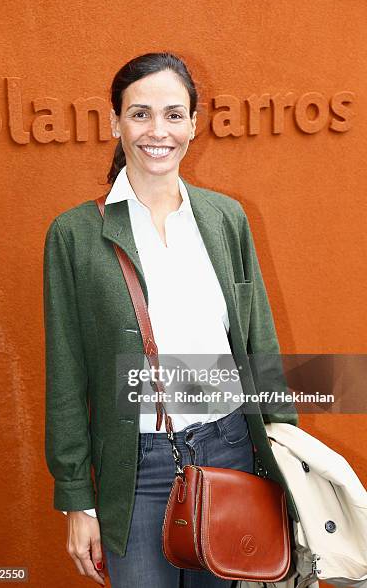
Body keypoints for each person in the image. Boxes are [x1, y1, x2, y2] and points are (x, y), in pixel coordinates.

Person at [43, 51, 299, 588]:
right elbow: (65, 375)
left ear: (193, 123)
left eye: (173, 114)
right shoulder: (74, 236)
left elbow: (258, 346)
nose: (157, 131)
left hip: (232, 451)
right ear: (114, 121)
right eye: (139, 114)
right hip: (136, 470)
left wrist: (286, 452)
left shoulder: (225, 217)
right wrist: (77, 499)